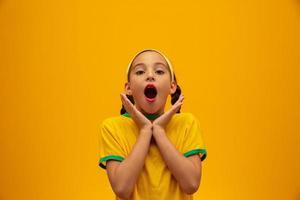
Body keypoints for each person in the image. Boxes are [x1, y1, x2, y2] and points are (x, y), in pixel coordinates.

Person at [98, 49, 207, 200]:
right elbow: (122, 189)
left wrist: (159, 131)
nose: (150, 75)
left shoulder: (187, 123)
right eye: (140, 72)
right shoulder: (112, 127)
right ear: (128, 88)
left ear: (172, 86)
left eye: (159, 71)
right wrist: (144, 131)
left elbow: (191, 184)